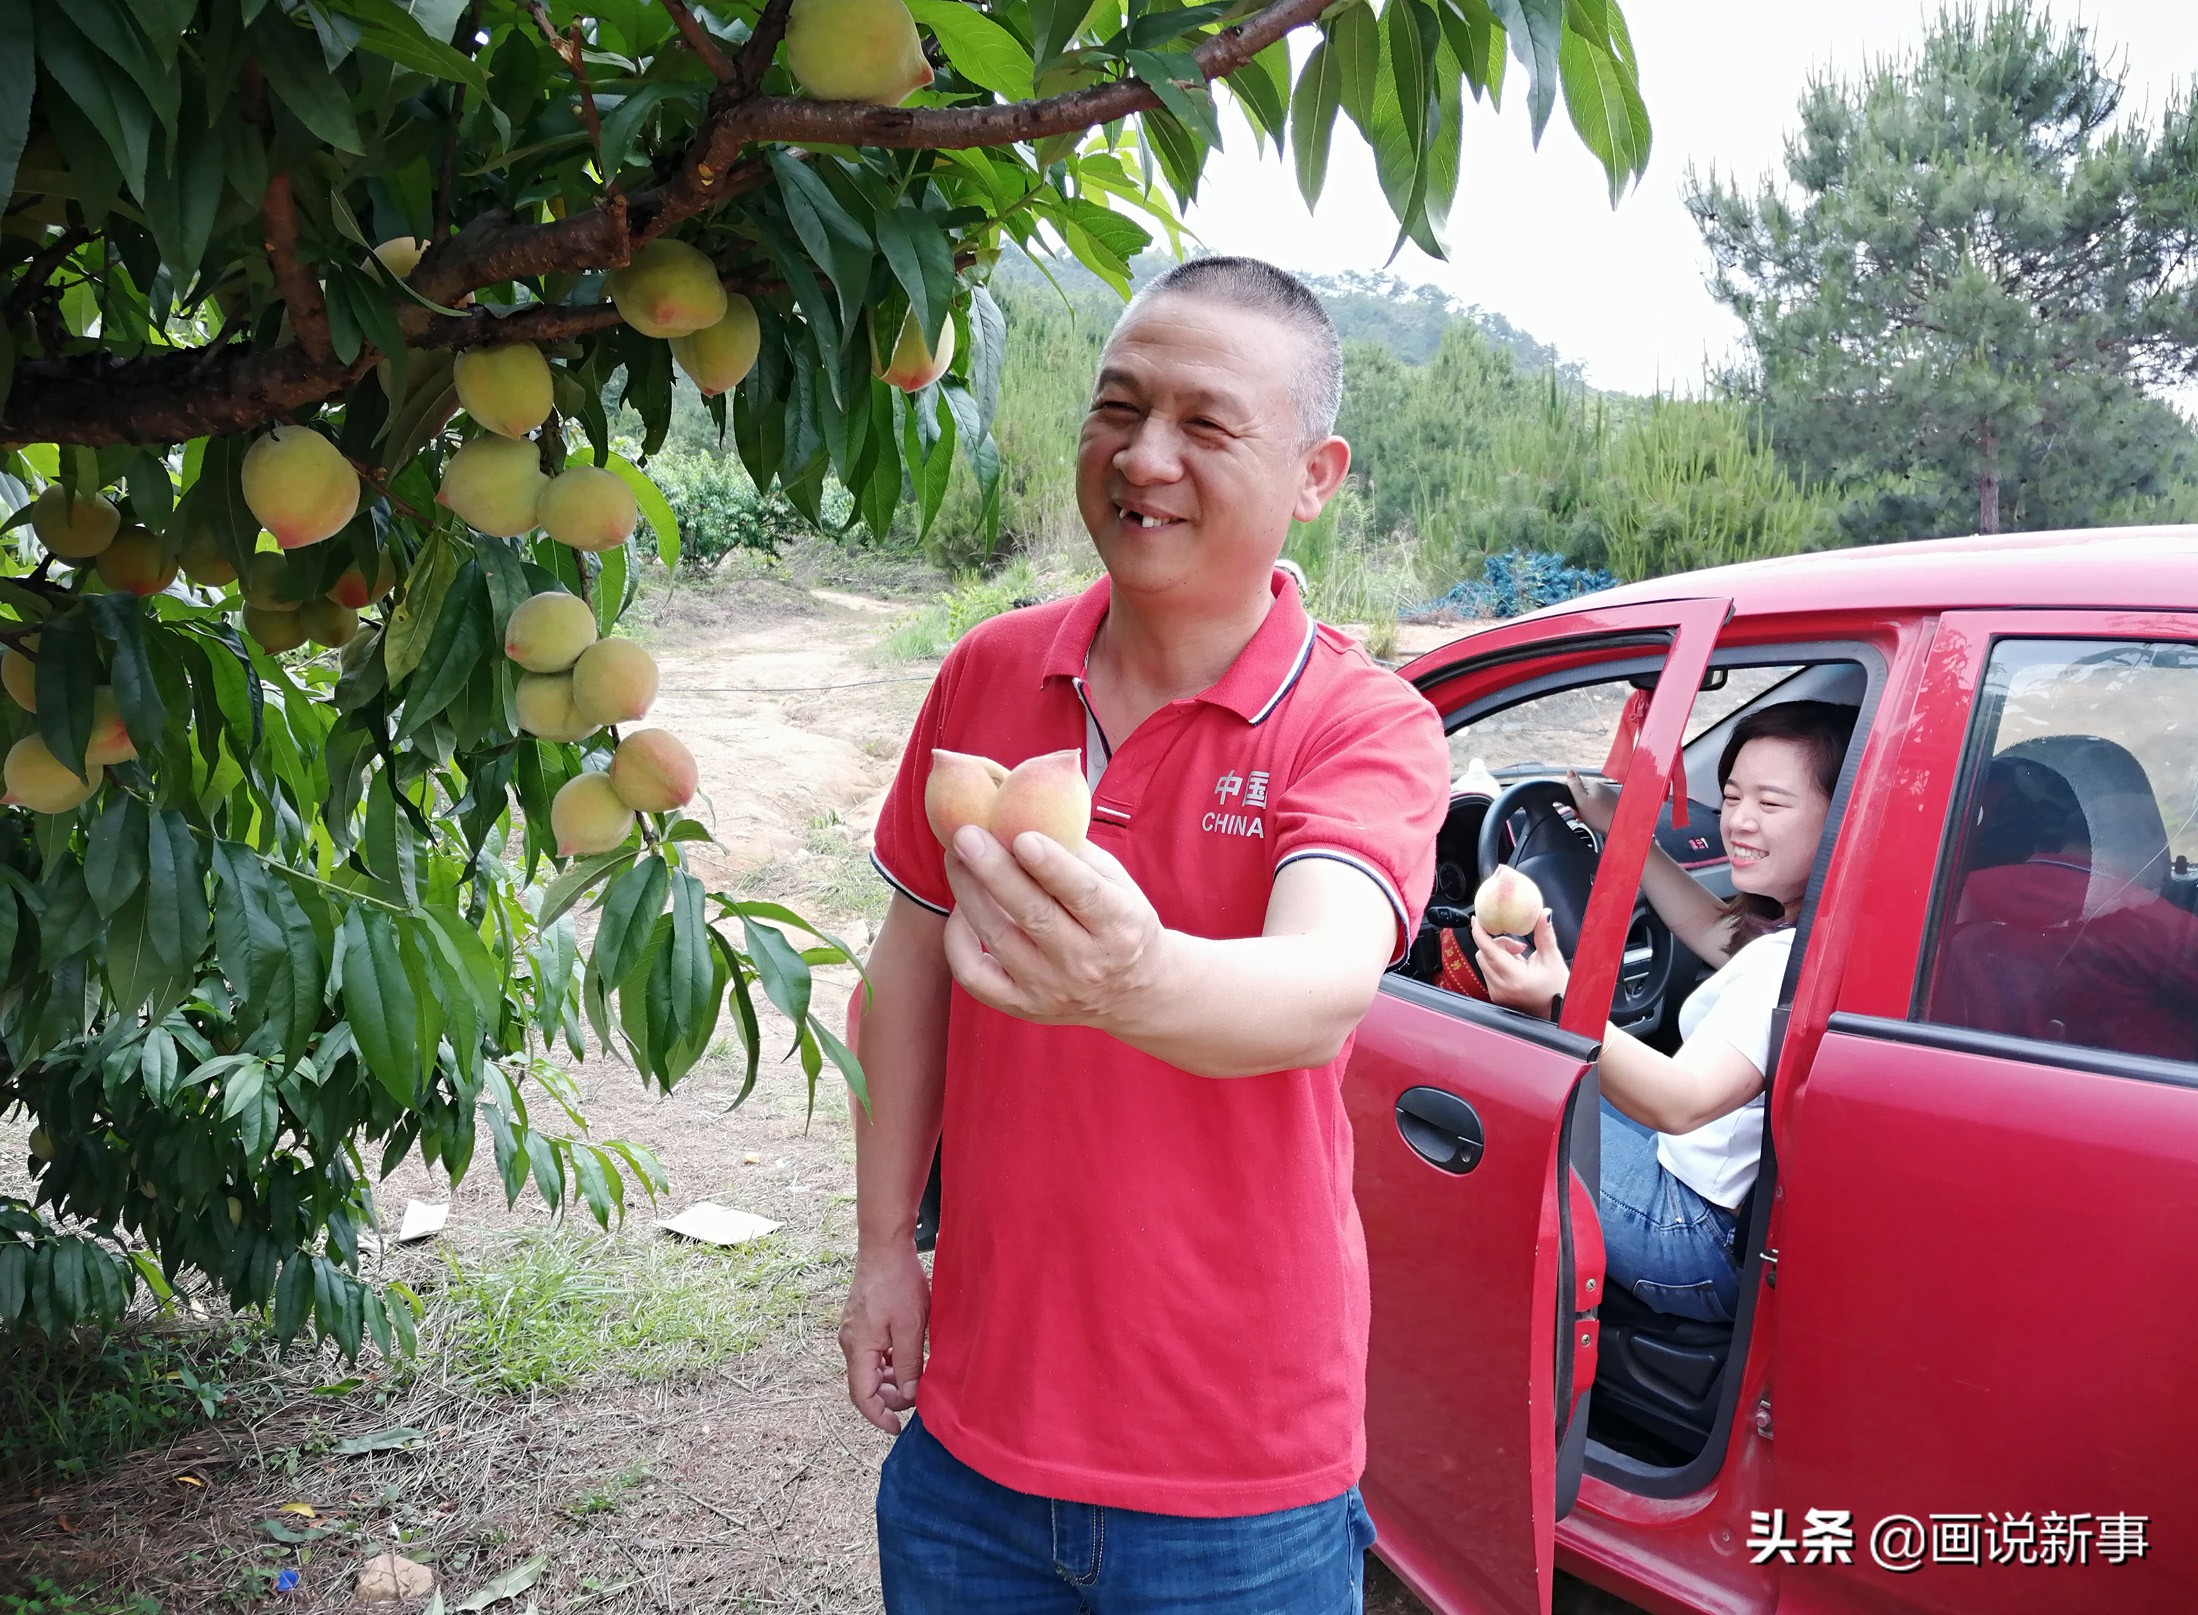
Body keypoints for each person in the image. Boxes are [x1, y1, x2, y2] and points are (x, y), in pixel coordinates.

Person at [843, 257, 1451, 1613]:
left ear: (1315, 473)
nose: (1143, 456)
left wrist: (1134, 974)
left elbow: (1317, 983)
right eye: (1116, 408)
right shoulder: (988, 671)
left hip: (1237, 1476)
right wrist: (886, 1242)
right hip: (972, 1446)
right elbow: (906, 978)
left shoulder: (1361, 723)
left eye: (1205, 423)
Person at [1474, 700, 1857, 1325]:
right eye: (1731, 797)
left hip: (1688, 1232)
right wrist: (1624, 827)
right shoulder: (1826, 929)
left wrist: (1557, 997)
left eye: (1772, 803)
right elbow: (1711, 927)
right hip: (1729, 1208)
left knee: (1493, 1092)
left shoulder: (1786, 963)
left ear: (1845, 816)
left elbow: (1680, 1102)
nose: (1739, 822)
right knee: (1549, 1085)